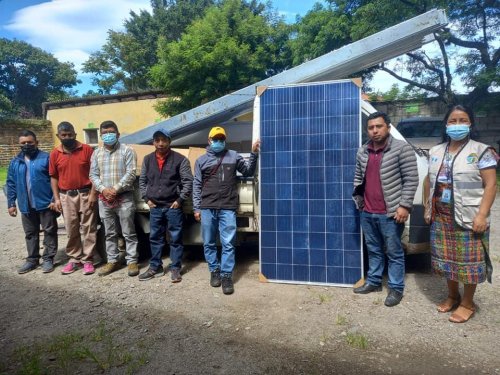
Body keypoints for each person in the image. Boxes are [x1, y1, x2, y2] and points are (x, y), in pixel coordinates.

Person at [424, 105, 498, 323]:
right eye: (453, 121)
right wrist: (428, 207)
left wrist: (482, 215)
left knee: (469, 261)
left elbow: (491, 184)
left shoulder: (481, 151)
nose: (457, 125)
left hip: (469, 214)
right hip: (442, 215)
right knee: (447, 259)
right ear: (446, 124)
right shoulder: (436, 151)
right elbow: (428, 181)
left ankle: (467, 303)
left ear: (470, 123)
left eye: (462, 120)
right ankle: (452, 295)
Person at [352, 111, 418, 307]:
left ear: (388, 127)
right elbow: (358, 177)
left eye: (378, 126)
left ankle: (396, 288)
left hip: (391, 213)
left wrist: (404, 206)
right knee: (373, 249)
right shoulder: (362, 151)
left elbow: (411, 179)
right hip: (368, 211)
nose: (375, 131)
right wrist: (359, 201)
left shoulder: (401, 149)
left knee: (394, 251)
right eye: (371, 127)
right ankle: (374, 282)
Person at [193, 126, 260, 294]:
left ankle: (226, 275)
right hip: (207, 206)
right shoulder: (201, 161)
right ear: (209, 141)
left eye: (221, 139)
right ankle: (214, 271)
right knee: (208, 242)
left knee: (228, 244)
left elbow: (248, 171)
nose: (218, 142)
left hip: (228, 207)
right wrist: (196, 208)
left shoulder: (233, 156)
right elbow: (197, 185)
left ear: (225, 140)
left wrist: (253, 153)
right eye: (215, 139)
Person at [138, 128, 193, 282]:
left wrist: (180, 200)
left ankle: (175, 268)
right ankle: (155, 267)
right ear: (153, 142)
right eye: (157, 140)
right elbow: (142, 181)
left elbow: (188, 182)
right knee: (155, 238)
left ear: (169, 141)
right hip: (155, 206)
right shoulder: (147, 159)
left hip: (172, 206)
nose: (160, 143)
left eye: (164, 140)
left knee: (175, 238)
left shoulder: (180, 159)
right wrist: (146, 198)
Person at [89, 120, 139, 277]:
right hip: (104, 199)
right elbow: (93, 175)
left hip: (124, 197)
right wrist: (104, 190)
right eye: (104, 133)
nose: (107, 135)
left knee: (128, 232)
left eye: (110, 132)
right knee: (109, 232)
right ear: (101, 135)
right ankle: (112, 261)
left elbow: (131, 173)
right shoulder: (96, 153)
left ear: (118, 134)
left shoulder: (127, 150)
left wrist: (115, 189)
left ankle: (132, 261)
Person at [6, 130, 58, 274]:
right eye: (23, 143)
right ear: (19, 144)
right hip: (26, 205)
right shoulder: (15, 162)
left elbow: (55, 180)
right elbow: (10, 183)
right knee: (30, 233)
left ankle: (48, 259)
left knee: (49, 231)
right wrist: (11, 203)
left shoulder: (46, 158)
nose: (27, 145)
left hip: (46, 204)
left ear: (36, 143)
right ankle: (32, 260)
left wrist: (54, 199)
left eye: (30, 142)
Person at [49, 122, 98, 275]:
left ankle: (88, 259)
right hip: (66, 196)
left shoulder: (87, 150)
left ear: (75, 134)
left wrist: (92, 194)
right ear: (59, 136)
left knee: (89, 228)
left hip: (85, 194)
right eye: (64, 135)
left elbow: (95, 174)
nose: (67, 137)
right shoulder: (55, 153)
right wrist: (56, 198)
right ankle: (74, 258)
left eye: (70, 134)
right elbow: (54, 177)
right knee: (71, 228)